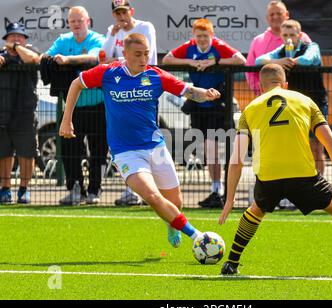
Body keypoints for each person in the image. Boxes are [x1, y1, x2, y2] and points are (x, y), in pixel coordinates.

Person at [218, 63, 332, 276]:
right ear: (285, 84)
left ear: (260, 87)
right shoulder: (305, 101)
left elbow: (236, 160)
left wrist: (230, 200)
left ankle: (230, 263)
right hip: (303, 174)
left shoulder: (250, 109)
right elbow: (331, 143)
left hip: (269, 175)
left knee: (256, 210)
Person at [59, 33, 221, 248]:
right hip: (125, 152)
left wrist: (206, 94)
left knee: (176, 203)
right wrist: (66, 120)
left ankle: (172, 224)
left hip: (155, 146)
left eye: (146, 53)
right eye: (138, 54)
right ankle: (198, 237)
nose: (143, 59)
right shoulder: (108, 72)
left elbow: (188, 90)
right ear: (125, 54)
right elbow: (75, 84)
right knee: (152, 196)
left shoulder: (156, 76)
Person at [162, 18, 246, 208]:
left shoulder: (218, 46)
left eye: (205, 36)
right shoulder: (189, 47)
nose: (202, 39)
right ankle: (216, 188)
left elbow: (240, 60)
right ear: (193, 36)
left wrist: (213, 62)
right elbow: (167, 59)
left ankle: (221, 189)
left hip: (218, 103)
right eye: (198, 36)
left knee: (214, 148)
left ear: (211, 35)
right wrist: (191, 62)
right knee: (207, 150)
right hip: (198, 102)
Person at [45, 6, 108, 205]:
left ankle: (94, 190)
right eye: (72, 21)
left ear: (87, 21)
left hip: (98, 105)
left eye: (79, 20)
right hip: (73, 107)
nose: (76, 24)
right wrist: (57, 62)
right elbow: (46, 57)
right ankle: (75, 189)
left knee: (98, 151)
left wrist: (67, 61)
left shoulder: (98, 39)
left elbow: (94, 57)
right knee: (69, 150)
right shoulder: (63, 40)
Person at [102, 0, 157, 205]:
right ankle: (133, 190)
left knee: (146, 138)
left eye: (124, 12)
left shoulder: (145, 27)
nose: (122, 17)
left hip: (143, 86)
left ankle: (150, 189)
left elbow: (149, 59)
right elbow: (104, 57)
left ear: (131, 11)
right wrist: (112, 34)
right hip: (121, 89)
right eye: (118, 14)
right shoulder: (113, 30)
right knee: (124, 139)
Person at [256, 19, 328, 175]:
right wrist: (279, 61)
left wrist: (290, 61)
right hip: (294, 106)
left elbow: (307, 59)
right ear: (281, 36)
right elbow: (258, 60)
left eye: (292, 35)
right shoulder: (280, 52)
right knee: (299, 146)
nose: (289, 38)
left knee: (316, 145)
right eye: (285, 35)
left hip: (315, 103)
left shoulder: (311, 46)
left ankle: (319, 181)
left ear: (300, 35)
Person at [0, 22, 41, 204]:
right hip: (2, 114)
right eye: (12, 36)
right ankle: (5, 189)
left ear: (25, 40)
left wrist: (15, 47)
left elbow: (34, 60)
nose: (16, 38)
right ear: (5, 39)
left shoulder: (31, 53)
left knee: (27, 153)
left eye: (20, 37)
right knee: (3, 153)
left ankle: (24, 190)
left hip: (25, 113)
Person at [246, 0, 311, 96]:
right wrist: (259, 92)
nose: (275, 17)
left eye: (279, 13)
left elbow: (313, 65)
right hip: (266, 98)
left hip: (299, 96)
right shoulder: (257, 41)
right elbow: (249, 70)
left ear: (286, 14)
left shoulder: (302, 38)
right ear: (267, 18)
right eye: (272, 14)